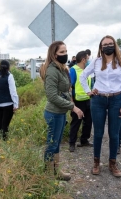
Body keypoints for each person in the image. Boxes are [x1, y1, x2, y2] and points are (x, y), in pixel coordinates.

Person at [80, 35, 121, 177]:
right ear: (101, 47)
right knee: (98, 133)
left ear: (114, 45)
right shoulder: (96, 62)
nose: (107, 46)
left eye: (110, 43)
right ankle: (96, 162)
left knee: (114, 134)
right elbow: (82, 76)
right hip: (98, 100)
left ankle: (112, 163)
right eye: (104, 44)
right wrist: (88, 92)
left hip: (117, 99)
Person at [40, 41, 84, 181]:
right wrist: (73, 107)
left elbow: (64, 90)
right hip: (53, 113)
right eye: (62, 52)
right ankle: (48, 174)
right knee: (52, 143)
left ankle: (56, 170)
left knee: (56, 142)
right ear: (54, 54)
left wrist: (70, 100)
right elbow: (52, 96)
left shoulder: (61, 68)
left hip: (60, 112)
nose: (65, 54)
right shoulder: (52, 71)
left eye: (66, 51)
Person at [68, 51, 93, 152]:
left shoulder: (88, 70)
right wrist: (72, 102)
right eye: (87, 59)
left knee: (88, 122)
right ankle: (72, 143)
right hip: (78, 101)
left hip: (88, 100)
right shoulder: (73, 70)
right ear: (83, 60)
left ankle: (84, 140)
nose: (88, 60)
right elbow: (69, 87)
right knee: (76, 122)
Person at [0, 60, 19, 140]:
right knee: (5, 125)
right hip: (8, 104)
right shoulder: (9, 76)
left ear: (0, 66)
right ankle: (4, 142)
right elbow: (13, 92)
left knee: (0, 124)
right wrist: (16, 104)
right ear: (8, 67)